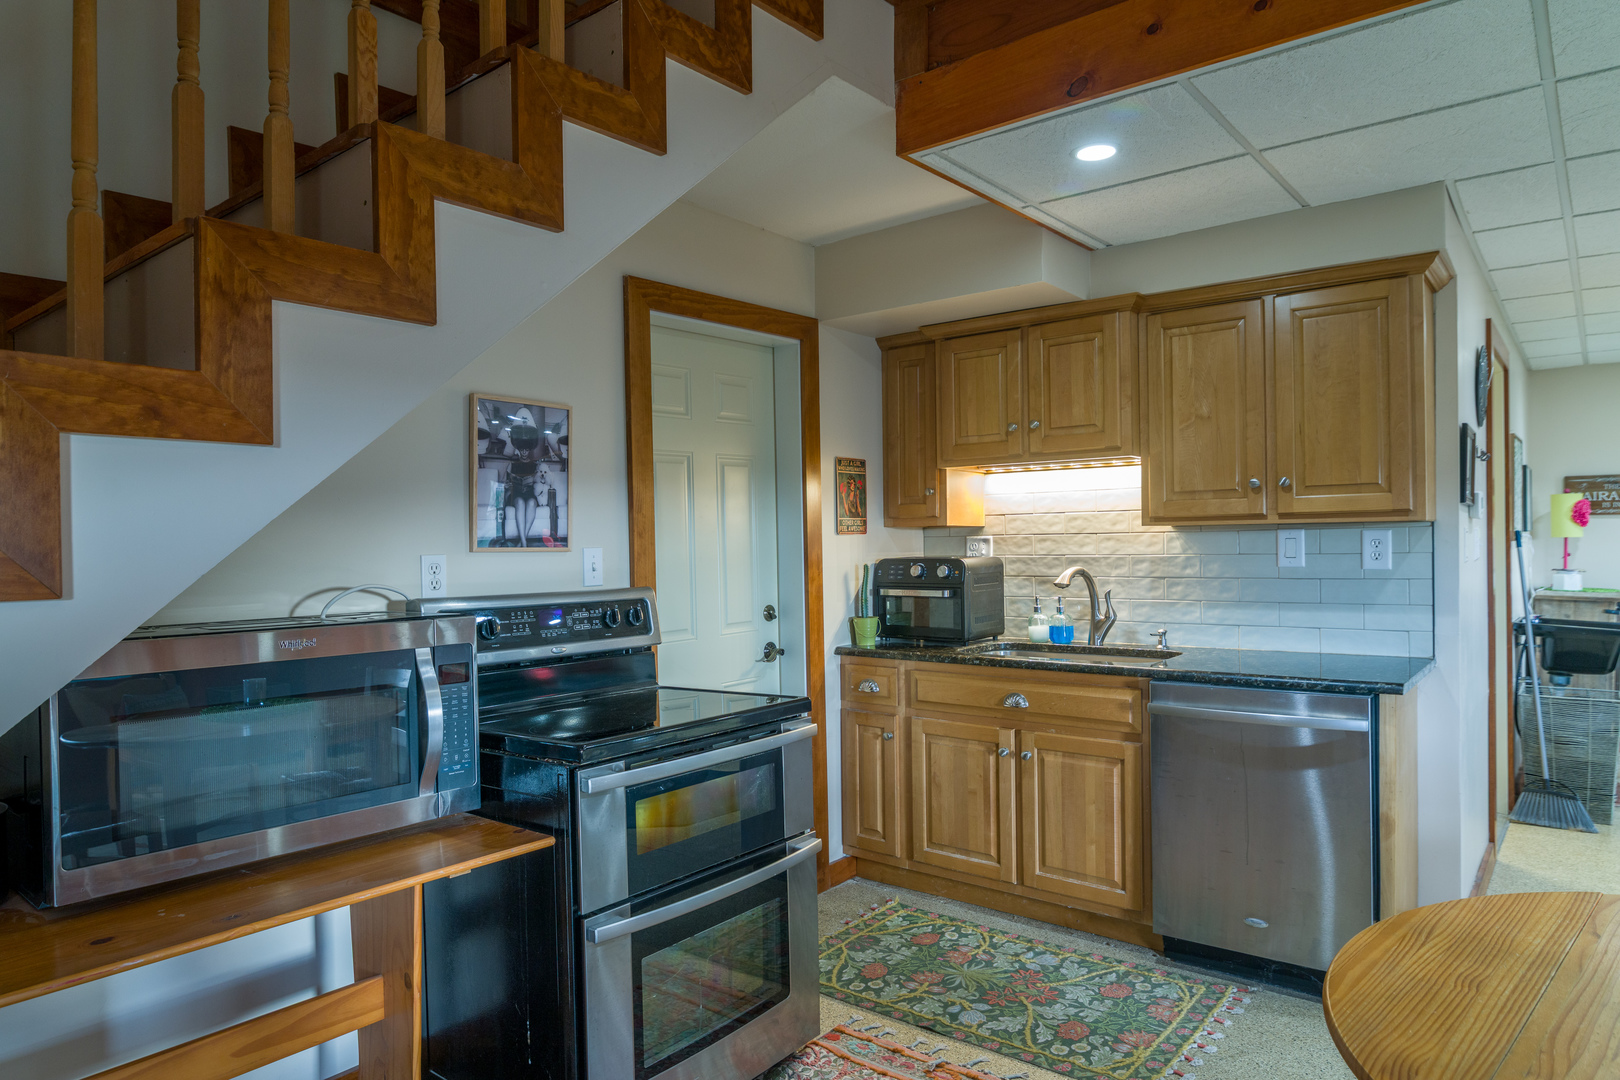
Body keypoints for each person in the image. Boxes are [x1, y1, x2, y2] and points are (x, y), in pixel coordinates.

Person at [505, 408, 542, 547]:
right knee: (520, 502)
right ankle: (525, 542)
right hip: (516, 493)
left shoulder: (535, 465)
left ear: (529, 449)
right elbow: (505, 482)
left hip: (530, 493)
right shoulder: (512, 463)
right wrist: (509, 485)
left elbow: (540, 482)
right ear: (518, 449)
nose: (524, 452)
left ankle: (522, 541)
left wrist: (535, 480)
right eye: (522, 449)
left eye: (526, 450)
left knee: (532, 502)